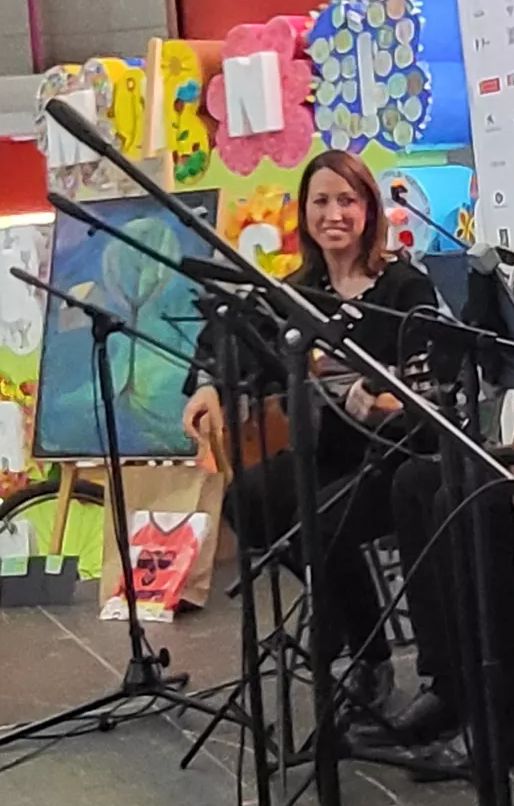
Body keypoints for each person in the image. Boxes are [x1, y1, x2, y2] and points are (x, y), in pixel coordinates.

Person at [179, 149, 443, 732]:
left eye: (347, 200)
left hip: (392, 458)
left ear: (369, 209)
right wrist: (208, 387)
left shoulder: (404, 287)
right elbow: (229, 340)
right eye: (320, 201)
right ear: (305, 212)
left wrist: (376, 401)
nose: (334, 214)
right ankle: (349, 622)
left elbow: (425, 389)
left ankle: (367, 656)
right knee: (250, 498)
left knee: (320, 518)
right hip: (323, 453)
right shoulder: (298, 290)